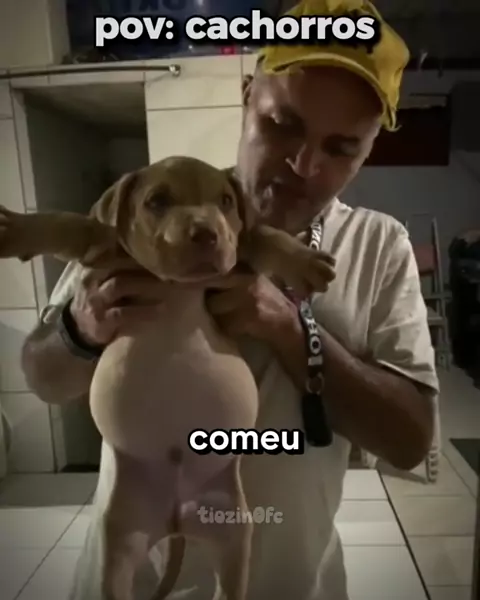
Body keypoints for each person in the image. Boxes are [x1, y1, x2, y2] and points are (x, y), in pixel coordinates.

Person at [21, 0, 439, 598]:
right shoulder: (152, 210)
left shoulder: (378, 246)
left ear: (369, 148)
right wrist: (80, 327)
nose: (303, 165)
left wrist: (291, 330)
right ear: (247, 97)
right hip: (129, 578)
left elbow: (409, 441)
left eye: (341, 147)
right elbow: (42, 377)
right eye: (283, 124)